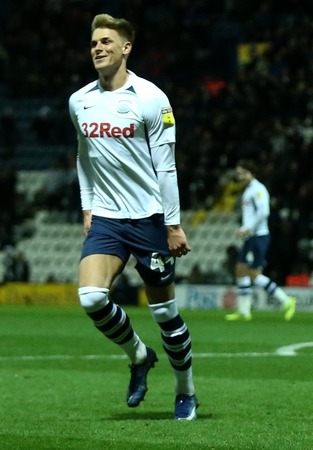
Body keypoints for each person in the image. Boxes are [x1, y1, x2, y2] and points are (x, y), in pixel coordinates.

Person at [68, 14, 198, 420]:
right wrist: (88, 206)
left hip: (148, 220)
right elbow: (83, 158)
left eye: (107, 41)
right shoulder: (79, 101)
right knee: (91, 297)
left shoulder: (151, 98)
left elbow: (167, 167)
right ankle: (139, 355)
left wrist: (173, 224)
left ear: (126, 48)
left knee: (164, 313)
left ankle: (185, 391)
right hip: (106, 218)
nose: (98, 48)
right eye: (93, 43)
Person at [224, 160, 296, 321]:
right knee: (241, 269)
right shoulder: (248, 190)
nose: (240, 177)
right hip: (252, 236)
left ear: (252, 173)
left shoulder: (258, 189)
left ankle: (286, 300)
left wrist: (248, 227)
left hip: (259, 236)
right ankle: (244, 310)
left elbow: (264, 212)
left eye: (243, 173)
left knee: (253, 274)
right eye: (239, 174)